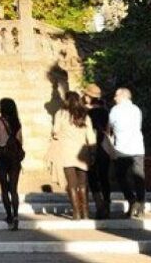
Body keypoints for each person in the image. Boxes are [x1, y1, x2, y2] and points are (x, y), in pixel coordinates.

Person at [52, 91, 95, 220]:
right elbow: (91, 136)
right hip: (83, 152)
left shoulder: (60, 114)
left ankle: (76, 212)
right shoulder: (85, 115)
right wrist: (93, 152)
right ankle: (85, 213)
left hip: (66, 152)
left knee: (71, 183)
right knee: (83, 184)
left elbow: (55, 132)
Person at [109, 87, 146, 219]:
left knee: (120, 176)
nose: (114, 98)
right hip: (137, 147)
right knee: (139, 177)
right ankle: (141, 204)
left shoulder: (115, 110)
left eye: (116, 96)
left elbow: (110, 126)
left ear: (123, 96)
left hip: (122, 149)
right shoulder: (136, 109)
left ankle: (131, 200)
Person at [0, 97, 25, 231]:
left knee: (4, 189)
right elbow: (20, 141)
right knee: (14, 189)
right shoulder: (17, 123)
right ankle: (16, 216)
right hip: (14, 158)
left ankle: (9, 216)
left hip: (1, 157)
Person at [84, 84, 112, 220]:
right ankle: (107, 204)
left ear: (90, 97)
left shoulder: (86, 113)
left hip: (92, 147)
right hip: (104, 147)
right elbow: (108, 130)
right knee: (104, 177)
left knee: (92, 177)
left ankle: (99, 206)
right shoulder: (106, 111)